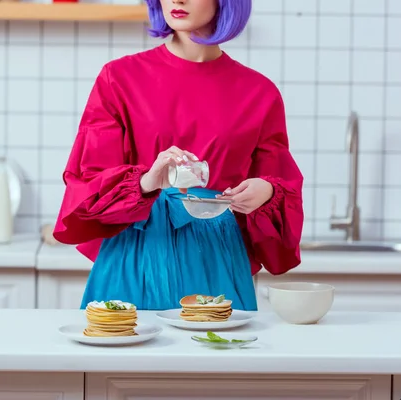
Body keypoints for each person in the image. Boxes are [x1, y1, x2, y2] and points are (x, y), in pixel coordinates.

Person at [53, 0, 304, 311]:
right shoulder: (118, 78)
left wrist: (266, 191)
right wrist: (145, 182)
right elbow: (88, 180)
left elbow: (280, 182)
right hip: (137, 249)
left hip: (216, 254)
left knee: (218, 352)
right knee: (124, 350)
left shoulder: (259, 92)